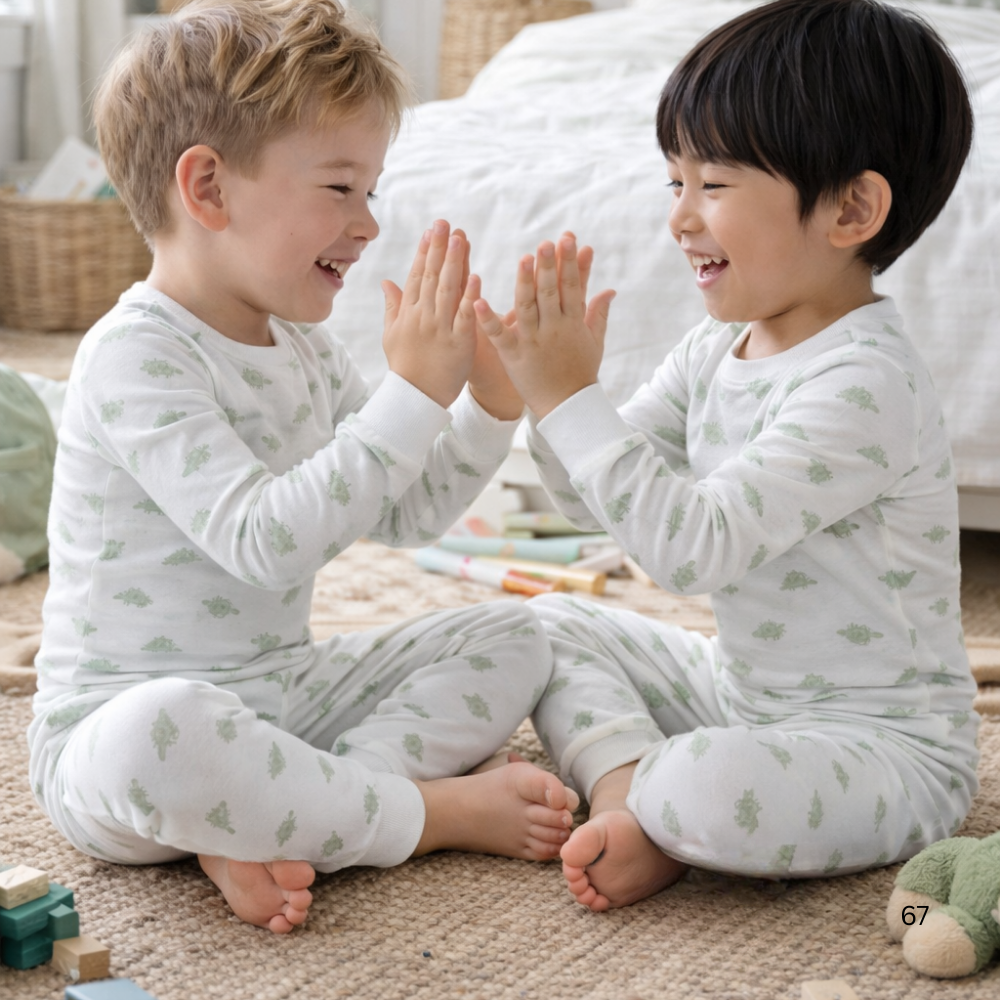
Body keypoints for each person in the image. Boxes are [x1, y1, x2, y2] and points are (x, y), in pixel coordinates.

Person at [27, 0, 579, 934]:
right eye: (340, 187)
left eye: (370, 190)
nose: (367, 225)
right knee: (159, 738)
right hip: (119, 725)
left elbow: (400, 514)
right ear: (207, 188)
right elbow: (265, 543)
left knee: (523, 638)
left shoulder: (303, 347)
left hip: (280, 697)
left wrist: (487, 407)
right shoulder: (135, 354)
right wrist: (410, 397)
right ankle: (416, 816)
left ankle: (281, 810)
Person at [474, 0, 978, 910]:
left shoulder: (866, 385)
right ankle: (633, 799)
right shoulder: (719, 346)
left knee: (702, 782)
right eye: (675, 182)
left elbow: (688, 550)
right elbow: (592, 500)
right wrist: (541, 399)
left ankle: (663, 806)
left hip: (881, 749)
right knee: (541, 626)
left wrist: (571, 397)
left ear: (853, 208)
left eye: (714, 185)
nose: (680, 220)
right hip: (739, 690)